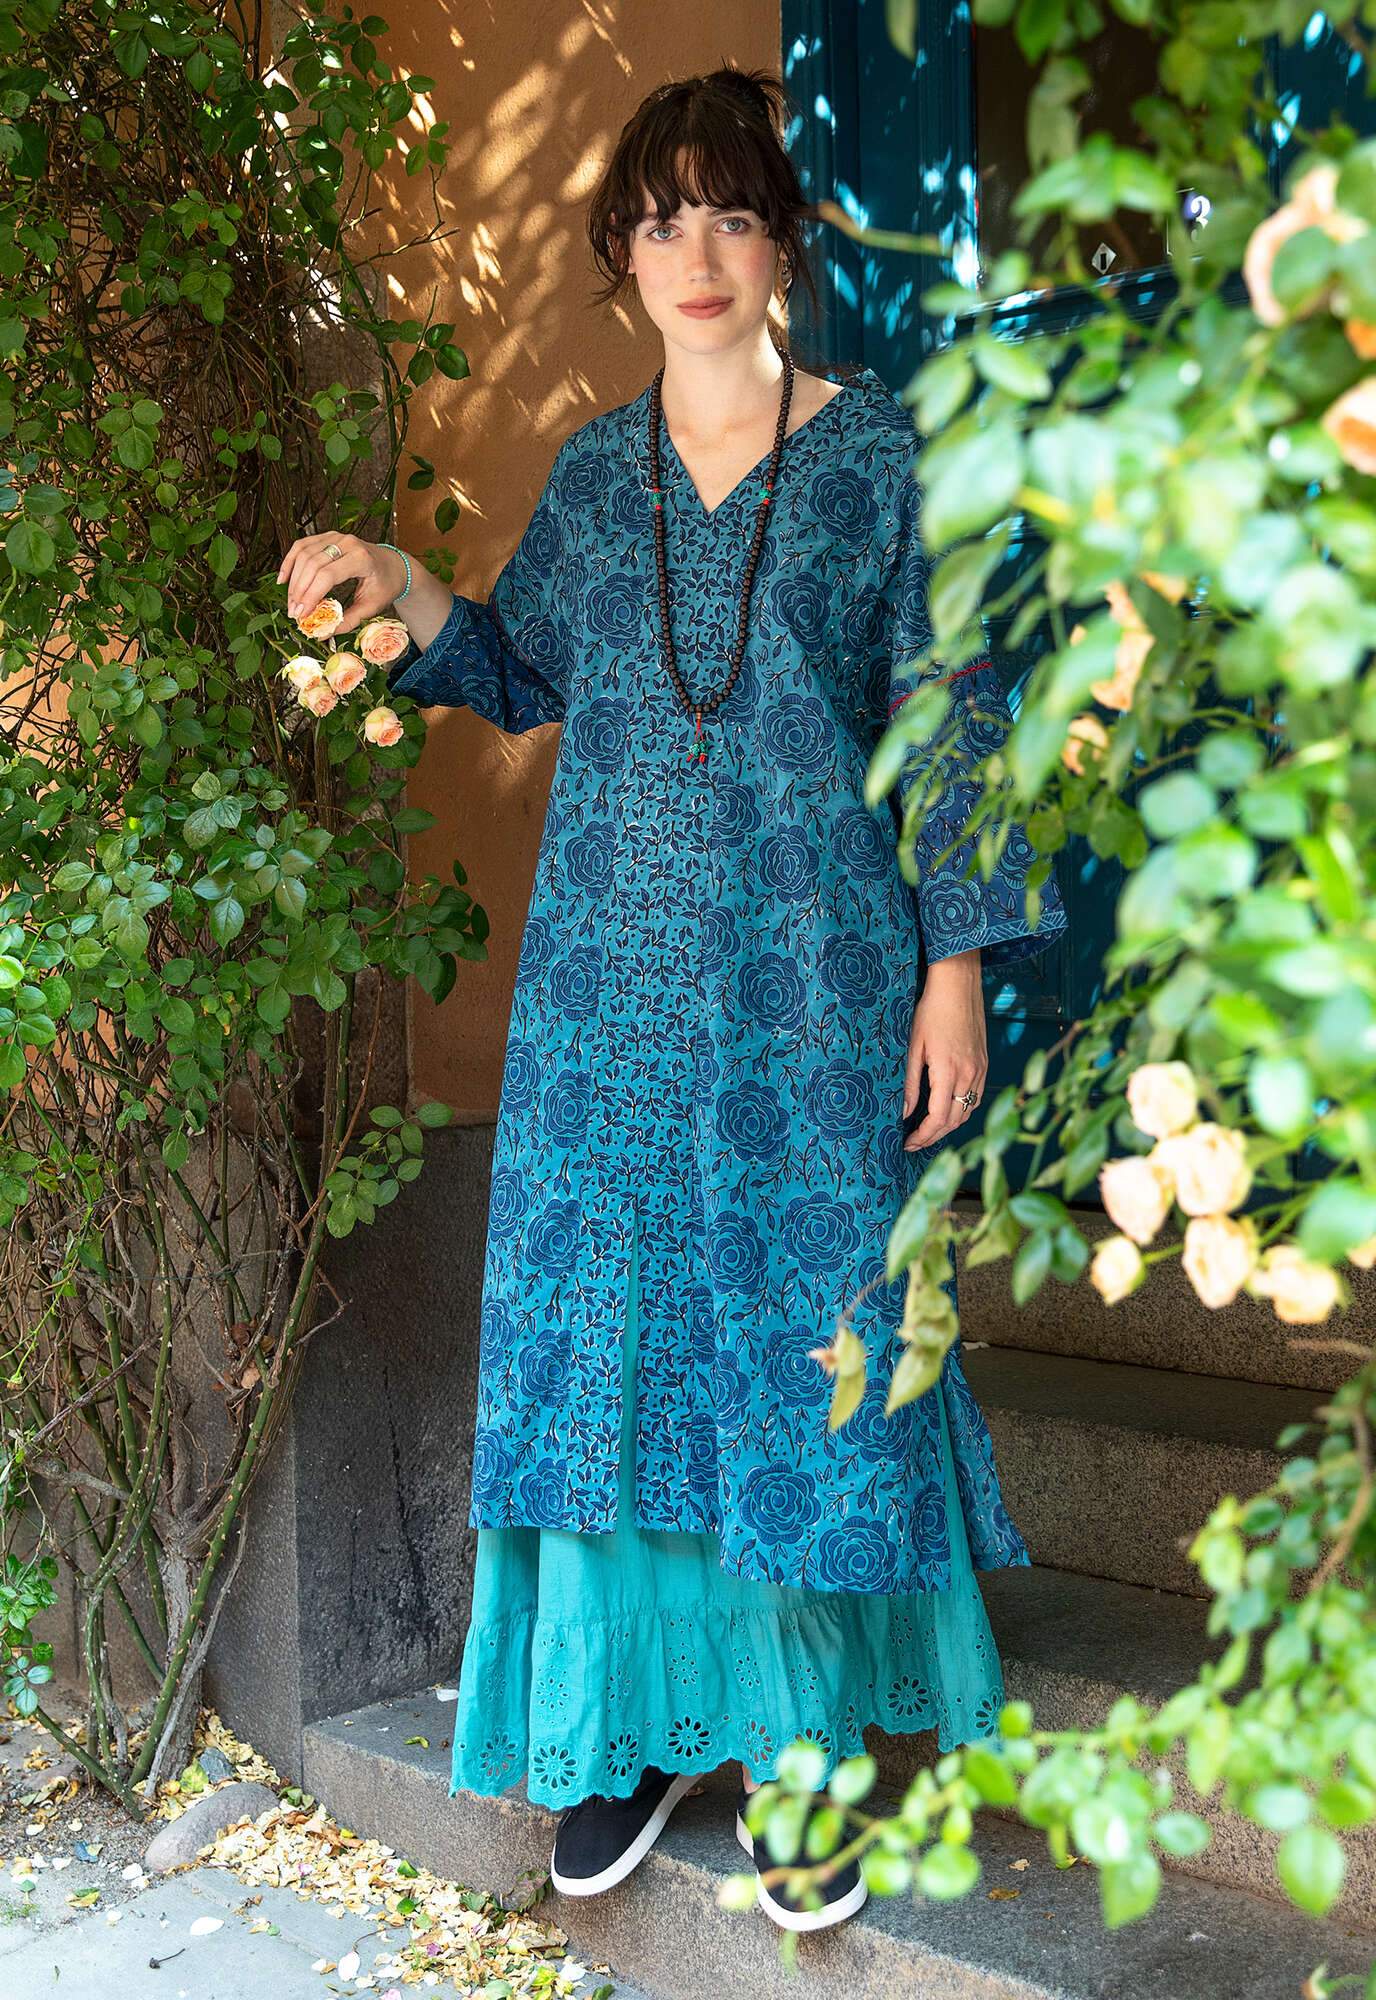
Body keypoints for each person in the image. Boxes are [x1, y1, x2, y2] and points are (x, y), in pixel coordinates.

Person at [277, 61, 1066, 1933]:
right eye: (657, 223)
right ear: (621, 259)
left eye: (727, 215)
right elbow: (518, 667)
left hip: (817, 987)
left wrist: (954, 972)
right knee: (612, 1345)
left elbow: (948, 722)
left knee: (800, 1336)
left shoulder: (882, 460)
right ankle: (627, 1727)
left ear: (781, 240)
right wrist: (401, 585)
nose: (693, 252)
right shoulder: (591, 472)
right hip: (603, 1003)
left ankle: (800, 1744)